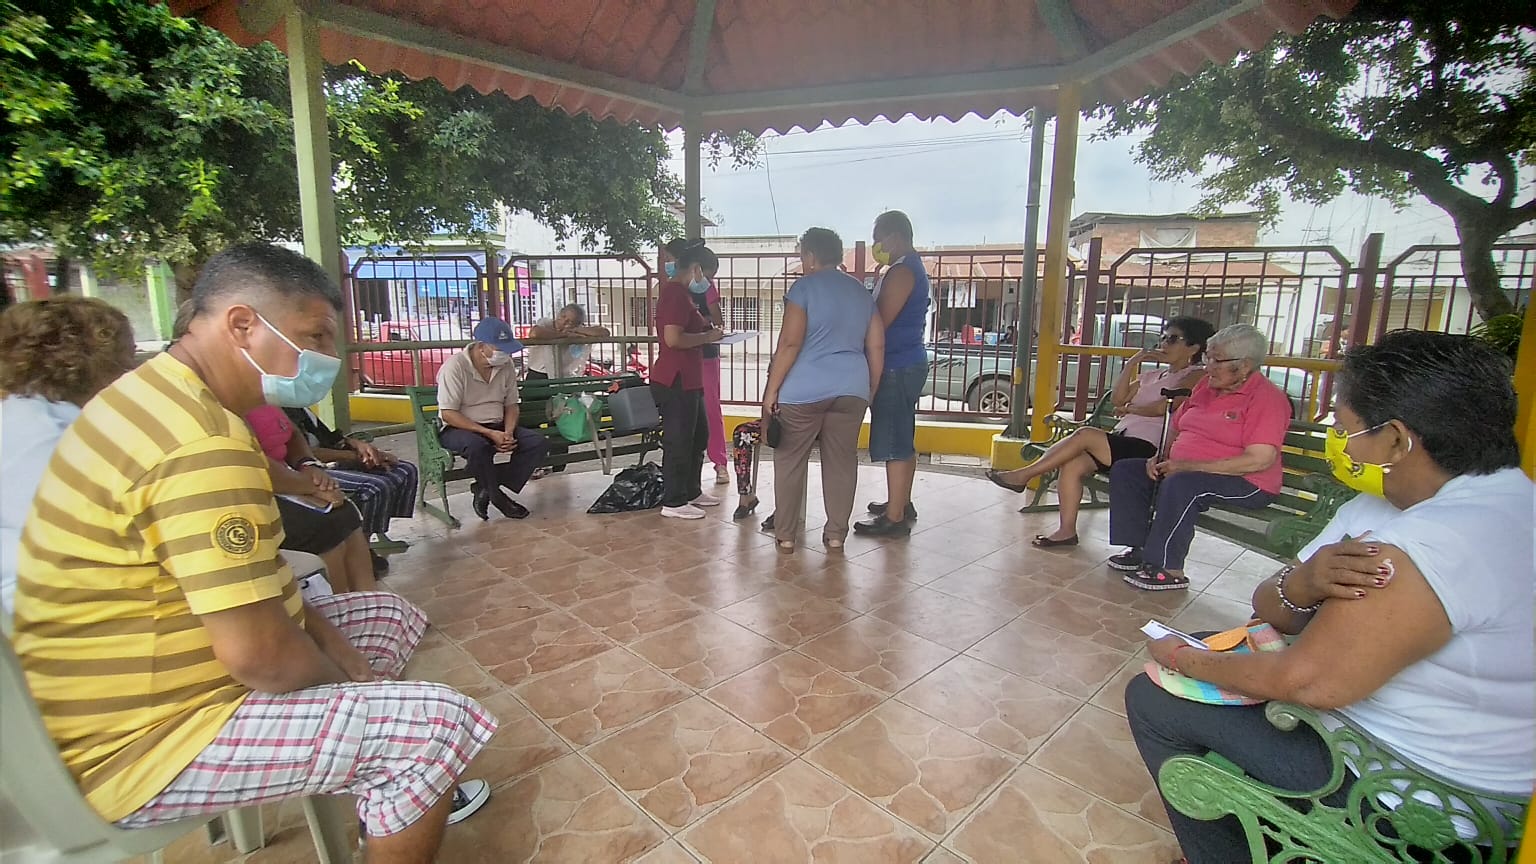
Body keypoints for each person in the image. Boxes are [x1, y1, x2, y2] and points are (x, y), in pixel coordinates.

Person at [10, 244, 496, 859]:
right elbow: (260, 656)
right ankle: (387, 765)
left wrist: (341, 655)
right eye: (314, 336)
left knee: (387, 614)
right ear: (242, 324)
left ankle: (370, 778)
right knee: (431, 730)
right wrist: (349, 691)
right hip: (143, 738)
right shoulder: (197, 446)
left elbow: (257, 583)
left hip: (163, 672)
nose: (327, 358)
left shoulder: (162, 396)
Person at [1128, 330, 1534, 864]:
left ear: (1396, 440)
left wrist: (1183, 659)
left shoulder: (1437, 541)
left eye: (1344, 429)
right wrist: (1303, 584)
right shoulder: (1503, 503)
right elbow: (1276, 609)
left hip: (1417, 795)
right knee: (1217, 648)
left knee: (1154, 696)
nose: (1338, 442)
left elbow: (1308, 682)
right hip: (1449, 765)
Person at [987, 317, 1215, 548]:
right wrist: (1132, 363)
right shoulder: (1152, 376)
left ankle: (1024, 475)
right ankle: (1066, 531)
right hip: (1124, 440)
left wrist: (1130, 409)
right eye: (1163, 338)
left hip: (1149, 447)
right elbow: (1118, 399)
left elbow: (1165, 407)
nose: (1164, 344)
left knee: (1085, 434)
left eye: (1173, 339)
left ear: (1193, 348)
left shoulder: (1195, 375)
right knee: (1073, 464)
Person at [1106, 323, 1291, 590]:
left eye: (1217, 360)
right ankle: (1139, 548)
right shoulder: (1206, 385)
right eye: (1207, 357)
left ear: (1245, 365)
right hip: (1190, 470)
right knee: (1128, 471)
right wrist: (1160, 456)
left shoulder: (1266, 399)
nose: (1208, 366)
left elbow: (1259, 459)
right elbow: (1177, 426)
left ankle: (1168, 567)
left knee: (1183, 485)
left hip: (1247, 481)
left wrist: (1188, 466)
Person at [0, 296, 135, 618]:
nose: (133, 371)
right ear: (94, 359)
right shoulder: (55, 436)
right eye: (127, 359)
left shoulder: (19, 414)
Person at [761, 228, 883, 552]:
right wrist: (869, 388)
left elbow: (790, 343)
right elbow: (876, 346)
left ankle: (786, 535)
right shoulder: (861, 292)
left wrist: (771, 391)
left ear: (811, 255)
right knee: (842, 461)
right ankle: (836, 535)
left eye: (803, 255)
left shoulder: (803, 288)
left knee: (790, 460)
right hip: (852, 389)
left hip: (803, 391)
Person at [245, 405, 379, 593]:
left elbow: (292, 434)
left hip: (292, 478)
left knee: (346, 513)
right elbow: (254, 465)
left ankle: (368, 598)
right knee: (324, 529)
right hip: (258, 493)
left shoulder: (262, 398)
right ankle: (337, 602)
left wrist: (307, 465)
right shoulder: (224, 408)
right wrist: (311, 486)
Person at [854, 210, 930, 537]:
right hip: (906, 362)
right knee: (903, 435)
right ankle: (900, 502)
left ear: (894, 237)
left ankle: (895, 518)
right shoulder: (907, 268)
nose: (876, 246)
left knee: (895, 440)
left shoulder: (902, 272)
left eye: (878, 239)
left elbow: (880, 321)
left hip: (897, 365)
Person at [437, 317, 551, 520]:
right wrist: (488, 433)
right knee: (478, 447)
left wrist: (507, 432)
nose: (505, 354)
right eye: (500, 349)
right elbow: (448, 413)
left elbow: (511, 404)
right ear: (481, 346)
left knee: (537, 443)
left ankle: (486, 486)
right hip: (461, 427)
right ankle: (498, 498)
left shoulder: (505, 365)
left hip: (497, 424)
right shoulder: (455, 367)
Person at [653, 241, 726, 520]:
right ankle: (673, 501)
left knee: (698, 437)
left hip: (691, 379)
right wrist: (707, 337)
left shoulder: (684, 295)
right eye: (707, 276)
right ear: (695, 269)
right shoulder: (674, 294)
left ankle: (692, 491)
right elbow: (673, 338)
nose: (708, 283)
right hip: (675, 378)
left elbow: (693, 327)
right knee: (679, 440)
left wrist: (709, 332)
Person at [284, 406, 420, 547]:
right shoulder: (280, 413)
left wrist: (357, 445)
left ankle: (375, 530)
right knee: (375, 486)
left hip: (335, 462)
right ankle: (363, 545)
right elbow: (302, 453)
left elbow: (332, 438)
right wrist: (352, 456)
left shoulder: (302, 408)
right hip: (307, 470)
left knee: (404, 470)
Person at [525, 303, 611, 473]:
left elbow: (604, 333)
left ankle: (557, 464)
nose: (565, 323)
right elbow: (535, 333)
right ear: (559, 315)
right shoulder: (546, 324)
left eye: (571, 321)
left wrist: (577, 331)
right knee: (533, 423)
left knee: (562, 420)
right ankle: (534, 463)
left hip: (562, 380)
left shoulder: (579, 331)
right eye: (564, 318)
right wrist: (561, 335)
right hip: (538, 377)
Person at [692, 254, 731, 487]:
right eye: (708, 275)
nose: (709, 280)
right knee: (686, 411)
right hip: (684, 356)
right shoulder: (676, 288)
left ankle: (720, 463)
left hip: (706, 355)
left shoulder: (708, 289)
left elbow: (718, 319)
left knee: (710, 409)